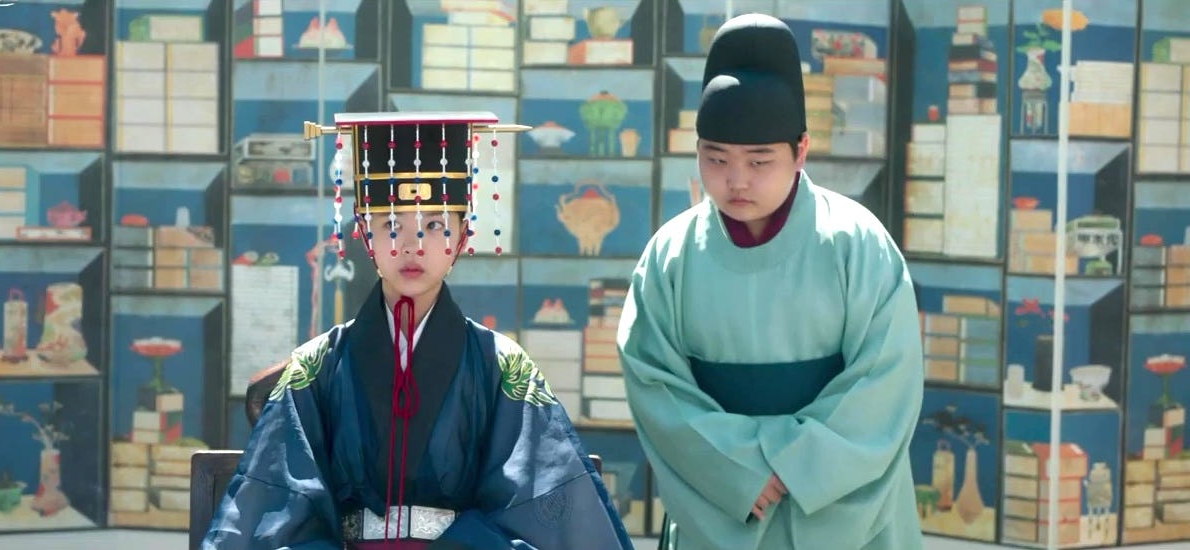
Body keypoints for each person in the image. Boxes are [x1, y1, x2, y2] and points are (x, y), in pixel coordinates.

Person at [203, 111, 634, 550]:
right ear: (365, 236)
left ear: (463, 235)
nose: (411, 245)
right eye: (392, 226)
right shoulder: (317, 366)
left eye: (434, 226)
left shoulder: (500, 365)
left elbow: (539, 496)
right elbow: (278, 502)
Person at [615, 14, 925, 550]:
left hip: (843, 505)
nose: (736, 180)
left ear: (800, 152)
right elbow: (656, 388)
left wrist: (793, 467)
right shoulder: (670, 257)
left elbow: (885, 382)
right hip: (723, 504)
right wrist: (741, 473)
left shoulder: (858, 243)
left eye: (759, 161)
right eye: (716, 159)